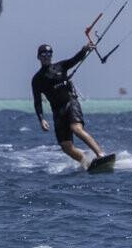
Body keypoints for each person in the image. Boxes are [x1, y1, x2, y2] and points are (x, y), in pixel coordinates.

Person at [32, 39, 104, 168]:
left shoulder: (60, 66)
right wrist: (41, 119)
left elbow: (75, 60)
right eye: (43, 54)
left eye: (49, 54)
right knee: (66, 146)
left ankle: (100, 155)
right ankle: (87, 163)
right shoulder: (37, 79)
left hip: (70, 102)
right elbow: (37, 101)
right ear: (38, 57)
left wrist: (85, 49)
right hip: (58, 111)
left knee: (76, 128)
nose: (46, 56)